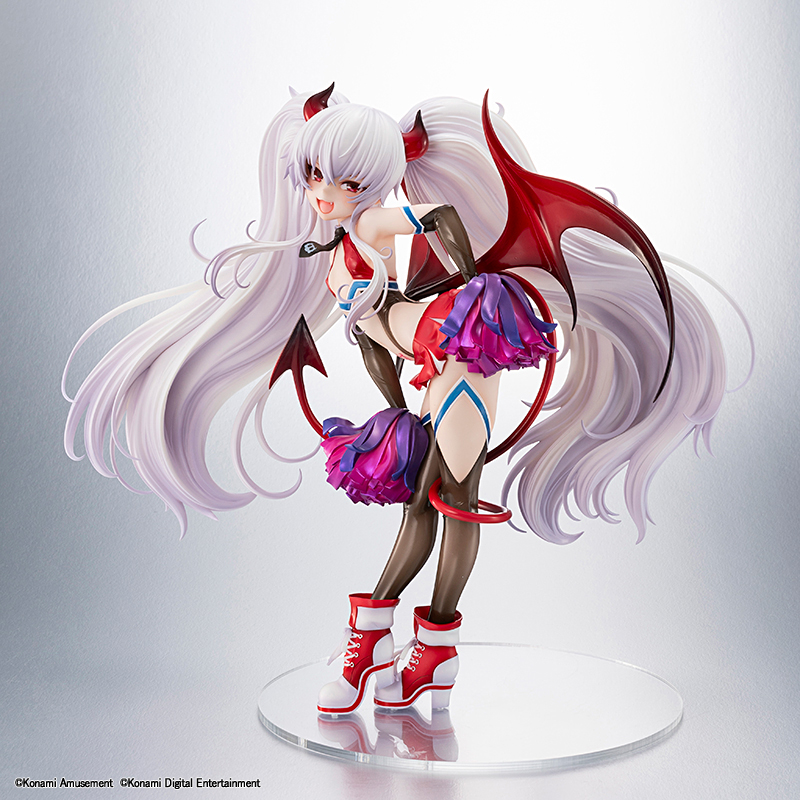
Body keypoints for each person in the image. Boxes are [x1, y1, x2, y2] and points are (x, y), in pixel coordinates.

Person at [63, 85, 739, 715]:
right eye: (315, 177)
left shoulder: (376, 226)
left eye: (346, 182)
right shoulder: (334, 254)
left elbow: (441, 217)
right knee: (428, 499)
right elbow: (371, 343)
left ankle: (379, 643)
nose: (325, 194)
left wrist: (471, 286)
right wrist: (396, 411)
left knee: (450, 499)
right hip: (430, 367)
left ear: (376, 181)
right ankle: (424, 654)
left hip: (461, 350)